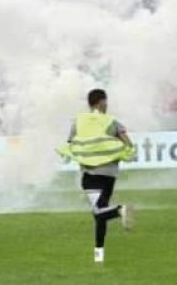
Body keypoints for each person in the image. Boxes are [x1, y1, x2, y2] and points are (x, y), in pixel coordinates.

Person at [57, 89, 135, 263]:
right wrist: (124, 153)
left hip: (90, 172)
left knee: (99, 211)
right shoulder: (111, 121)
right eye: (105, 102)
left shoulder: (79, 121)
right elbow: (128, 143)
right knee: (100, 212)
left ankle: (120, 210)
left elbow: (72, 144)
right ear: (100, 102)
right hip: (109, 173)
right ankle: (99, 255)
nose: (107, 106)